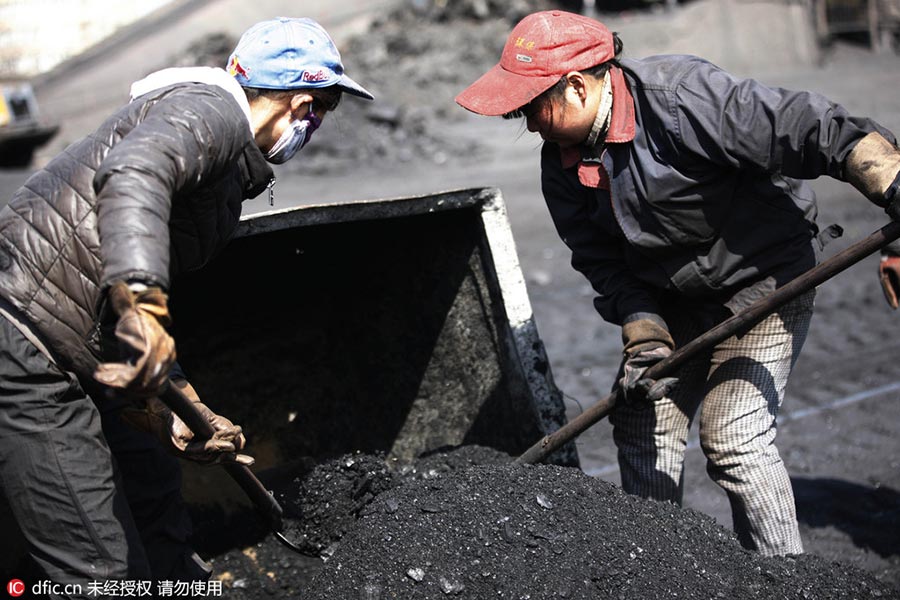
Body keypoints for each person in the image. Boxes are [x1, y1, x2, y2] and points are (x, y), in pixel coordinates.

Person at [456, 10, 900, 556]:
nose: (529, 124)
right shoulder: (562, 164)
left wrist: (889, 179)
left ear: (575, 86)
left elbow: (813, 127)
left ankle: (786, 581)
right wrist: (645, 333)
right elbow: (603, 263)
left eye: (534, 108)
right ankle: (660, 571)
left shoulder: (683, 98)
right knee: (642, 420)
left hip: (762, 280)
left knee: (732, 436)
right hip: (673, 295)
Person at [0, 16, 372, 592]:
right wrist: (142, 306)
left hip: (82, 348)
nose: (316, 125)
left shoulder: (225, 169)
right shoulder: (213, 112)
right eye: (320, 111)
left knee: (156, 505)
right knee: (104, 570)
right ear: (301, 104)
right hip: (25, 340)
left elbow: (127, 283)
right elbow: (130, 176)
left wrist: (179, 405)